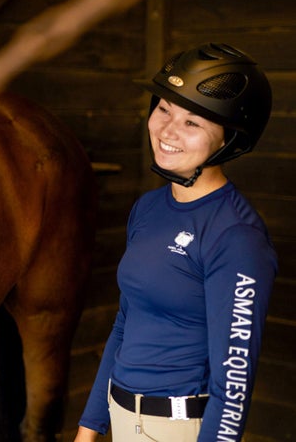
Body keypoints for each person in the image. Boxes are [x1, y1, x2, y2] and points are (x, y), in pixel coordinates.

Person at [74, 42, 278, 442]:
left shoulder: (236, 238)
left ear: (228, 141)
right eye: (165, 108)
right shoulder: (148, 209)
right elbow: (124, 325)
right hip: (122, 418)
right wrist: (89, 427)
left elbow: (233, 383)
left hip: (178, 429)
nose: (167, 131)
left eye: (193, 123)